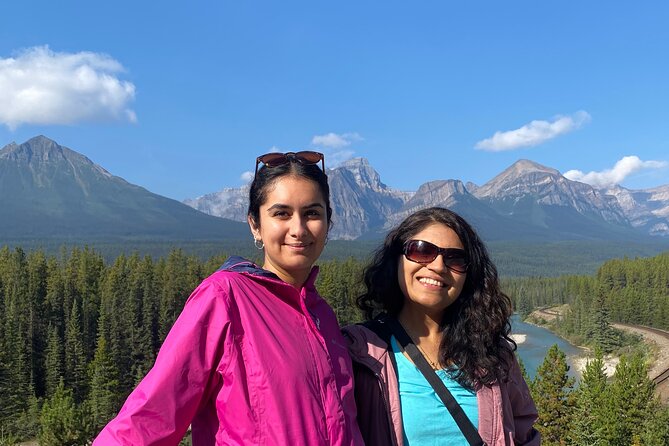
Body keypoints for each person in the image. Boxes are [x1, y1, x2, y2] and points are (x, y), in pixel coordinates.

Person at [94, 151, 364, 445]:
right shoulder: (224, 297)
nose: (298, 229)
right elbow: (150, 418)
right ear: (255, 225)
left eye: (312, 213)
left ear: (329, 222)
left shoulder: (322, 315)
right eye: (281, 213)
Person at [343, 207, 540, 446]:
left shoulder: (494, 354)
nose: (438, 266)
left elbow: (524, 432)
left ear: (469, 274)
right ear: (396, 259)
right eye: (421, 251)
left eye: (455, 258)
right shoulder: (359, 351)